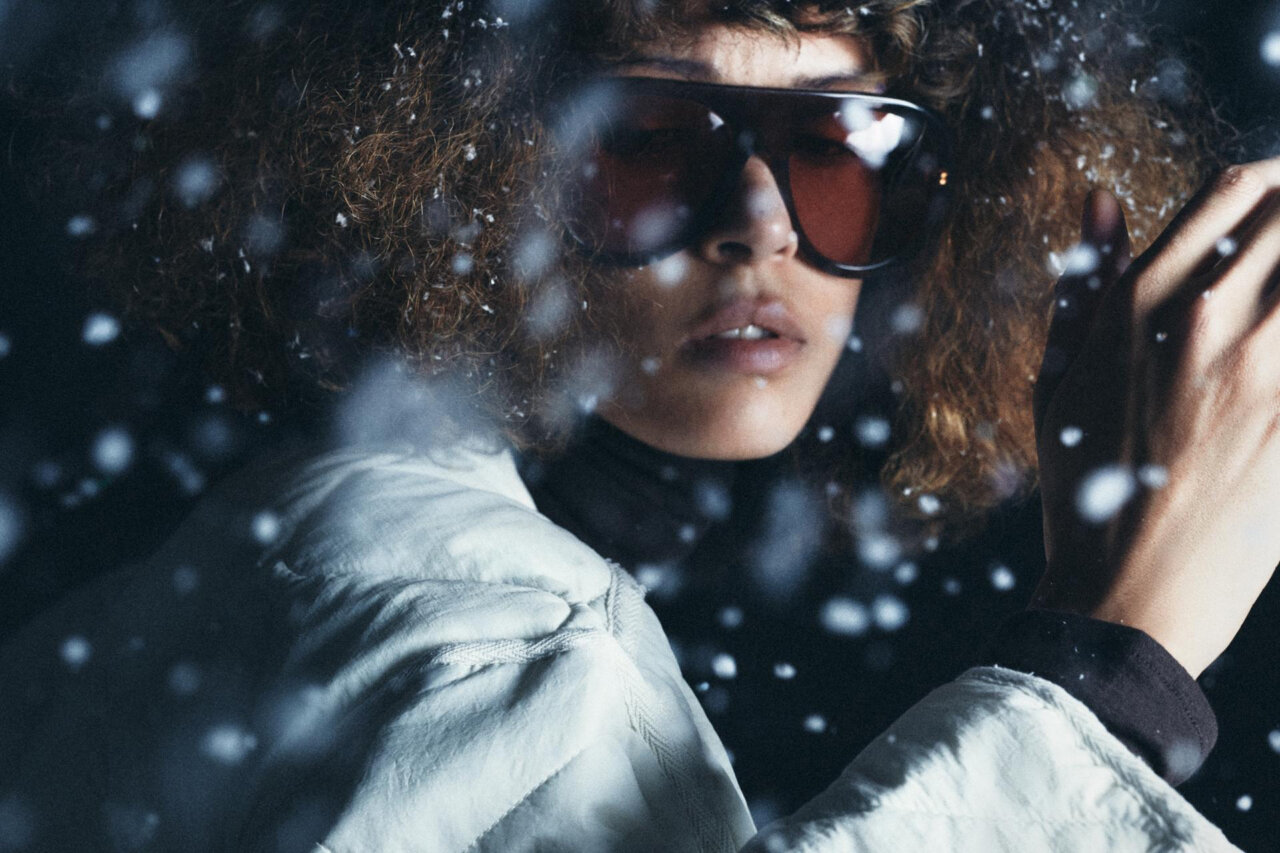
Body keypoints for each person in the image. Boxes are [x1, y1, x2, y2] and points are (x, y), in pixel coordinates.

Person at [0, 0, 1273, 849]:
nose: (759, 226)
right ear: (470, 173)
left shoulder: (256, 552)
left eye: (838, 143)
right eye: (650, 144)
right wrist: (1115, 664)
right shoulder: (504, 651)